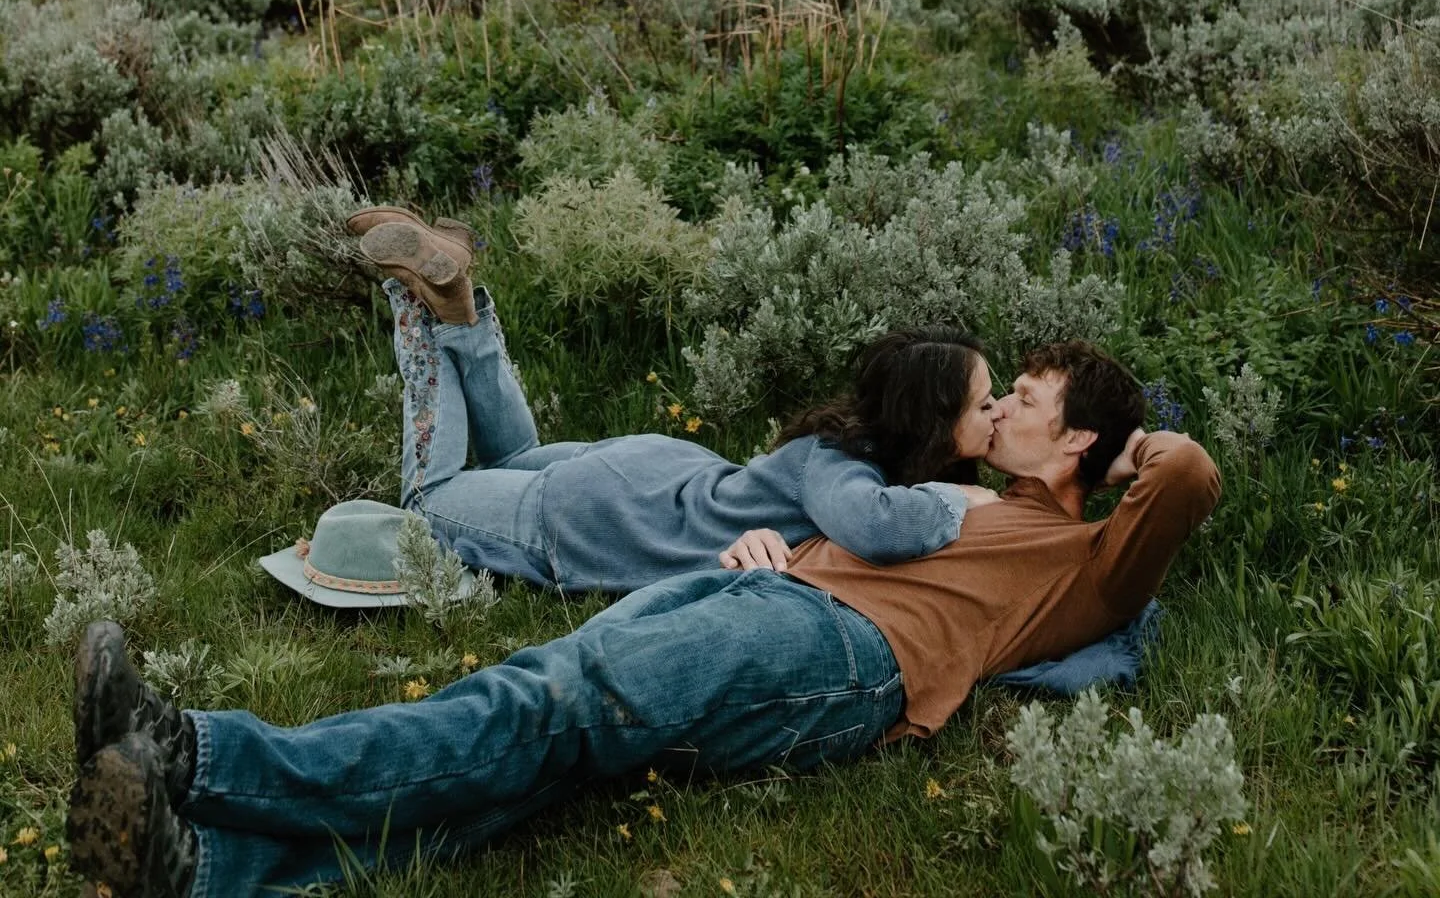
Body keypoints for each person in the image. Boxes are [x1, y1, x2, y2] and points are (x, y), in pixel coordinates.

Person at [66, 339, 1221, 898]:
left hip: (840, 654)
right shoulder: (968, 498)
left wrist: (1135, 453)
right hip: (775, 600)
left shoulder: (1087, 561)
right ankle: (207, 868)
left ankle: (199, 753)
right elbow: (858, 531)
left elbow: (1193, 480)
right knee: (550, 753)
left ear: (1081, 443)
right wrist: (776, 549)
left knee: (540, 706)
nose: (1006, 403)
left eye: (1028, 401)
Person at [344, 204, 1000, 588]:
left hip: (654, 475)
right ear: (932, 422)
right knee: (429, 502)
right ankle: (417, 299)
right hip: (607, 515)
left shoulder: (846, 446)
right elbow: (875, 527)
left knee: (514, 454)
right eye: (984, 403)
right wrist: (961, 494)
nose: (996, 413)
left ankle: (459, 307)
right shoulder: (845, 466)